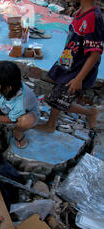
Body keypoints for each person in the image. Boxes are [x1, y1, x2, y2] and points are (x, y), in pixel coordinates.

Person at [36, 0, 102, 133]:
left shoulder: (93, 18)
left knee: (56, 99)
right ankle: (51, 124)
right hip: (69, 62)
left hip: (78, 69)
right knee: (59, 94)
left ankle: (90, 112)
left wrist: (79, 79)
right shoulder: (82, 10)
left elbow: (95, 54)